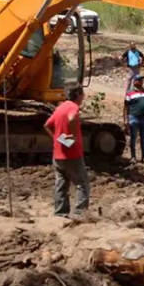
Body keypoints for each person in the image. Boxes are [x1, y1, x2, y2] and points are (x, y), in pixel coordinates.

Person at [44, 84, 90, 217]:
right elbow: (72, 117)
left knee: (61, 184)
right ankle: (80, 214)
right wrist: (74, 135)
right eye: (83, 94)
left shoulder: (59, 108)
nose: (83, 97)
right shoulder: (73, 107)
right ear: (78, 95)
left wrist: (56, 138)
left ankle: (60, 213)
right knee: (82, 184)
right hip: (72, 154)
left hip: (58, 154)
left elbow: (47, 125)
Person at [124, 74, 144, 164]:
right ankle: (133, 157)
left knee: (143, 138)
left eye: (142, 80)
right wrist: (126, 119)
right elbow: (126, 107)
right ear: (134, 82)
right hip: (133, 117)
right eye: (139, 80)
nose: (141, 82)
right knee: (133, 138)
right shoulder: (130, 93)